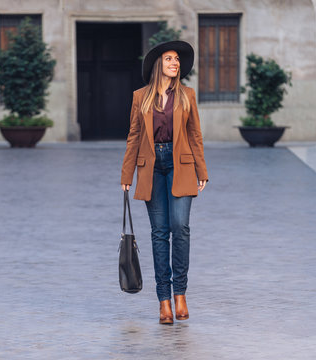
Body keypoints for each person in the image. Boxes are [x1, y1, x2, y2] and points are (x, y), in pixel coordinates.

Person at [120, 40, 208, 325]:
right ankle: (164, 301)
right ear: (159, 64)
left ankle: (180, 293)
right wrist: (126, 175)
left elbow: (194, 134)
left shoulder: (187, 95)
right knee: (159, 233)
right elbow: (133, 136)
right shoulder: (140, 97)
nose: (175, 63)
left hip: (180, 164)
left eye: (177, 60)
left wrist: (201, 170)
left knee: (180, 228)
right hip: (151, 167)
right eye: (169, 59)